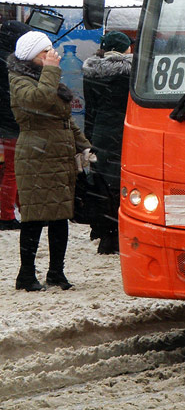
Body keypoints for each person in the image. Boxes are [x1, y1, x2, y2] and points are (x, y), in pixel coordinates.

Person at [9, 31, 93, 291]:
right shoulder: (19, 80)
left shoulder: (45, 76)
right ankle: (26, 275)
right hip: (36, 156)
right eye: (45, 52)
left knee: (60, 217)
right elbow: (40, 101)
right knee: (34, 218)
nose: (51, 55)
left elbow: (63, 119)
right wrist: (51, 70)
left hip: (59, 156)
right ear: (32, 56)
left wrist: (85, 146)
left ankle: (56, 272)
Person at [81, 31, 132, 255]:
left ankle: (104, 232)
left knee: (103, 184)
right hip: (126, 132)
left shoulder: (91, 71)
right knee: (123, 182)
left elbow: (90, 109)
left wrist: (90, 138)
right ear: (124, 48)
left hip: (101, 132)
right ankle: (121, 232)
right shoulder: (133, 72)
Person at [0, 20, 30, 230]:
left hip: (6, 121)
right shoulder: (10, 62)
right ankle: (7, 216)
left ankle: (20, 210)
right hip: (11, 121)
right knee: (14, 169)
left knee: (13, 168)